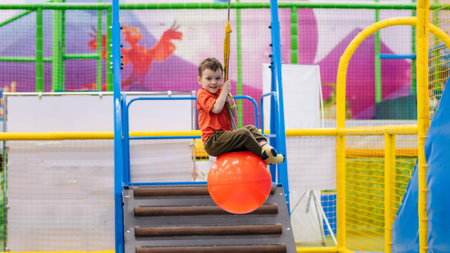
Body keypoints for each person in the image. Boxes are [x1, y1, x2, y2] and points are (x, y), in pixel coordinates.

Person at [196, 57, 284, 165]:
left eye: (218, 78)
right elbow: (216, 109)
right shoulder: (202, 93)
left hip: (224, 135)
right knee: (243, 133)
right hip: (213, 141)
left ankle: (265, 147)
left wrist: (230, 101)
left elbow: (233, 114)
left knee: (251, 128)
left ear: (222, 79)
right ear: (200, 80)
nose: (214, 82)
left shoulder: (222, 93)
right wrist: (224, 92)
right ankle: (263, 157)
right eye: (209, 79)